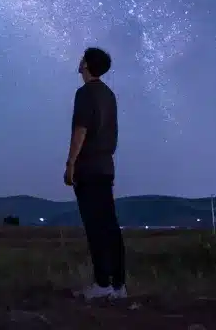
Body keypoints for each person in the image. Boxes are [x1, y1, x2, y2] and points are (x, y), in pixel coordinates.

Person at [64, 46, 126, 300]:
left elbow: (81, 130)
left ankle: (102, 284)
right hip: (105, 167)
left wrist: (70, 164)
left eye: (83, 59)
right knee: (109, 226)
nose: (79, 62)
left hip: (88, 168)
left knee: (95, 226)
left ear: (87, 65)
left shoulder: (85, 93)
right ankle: (118, 285)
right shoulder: (109, 95)